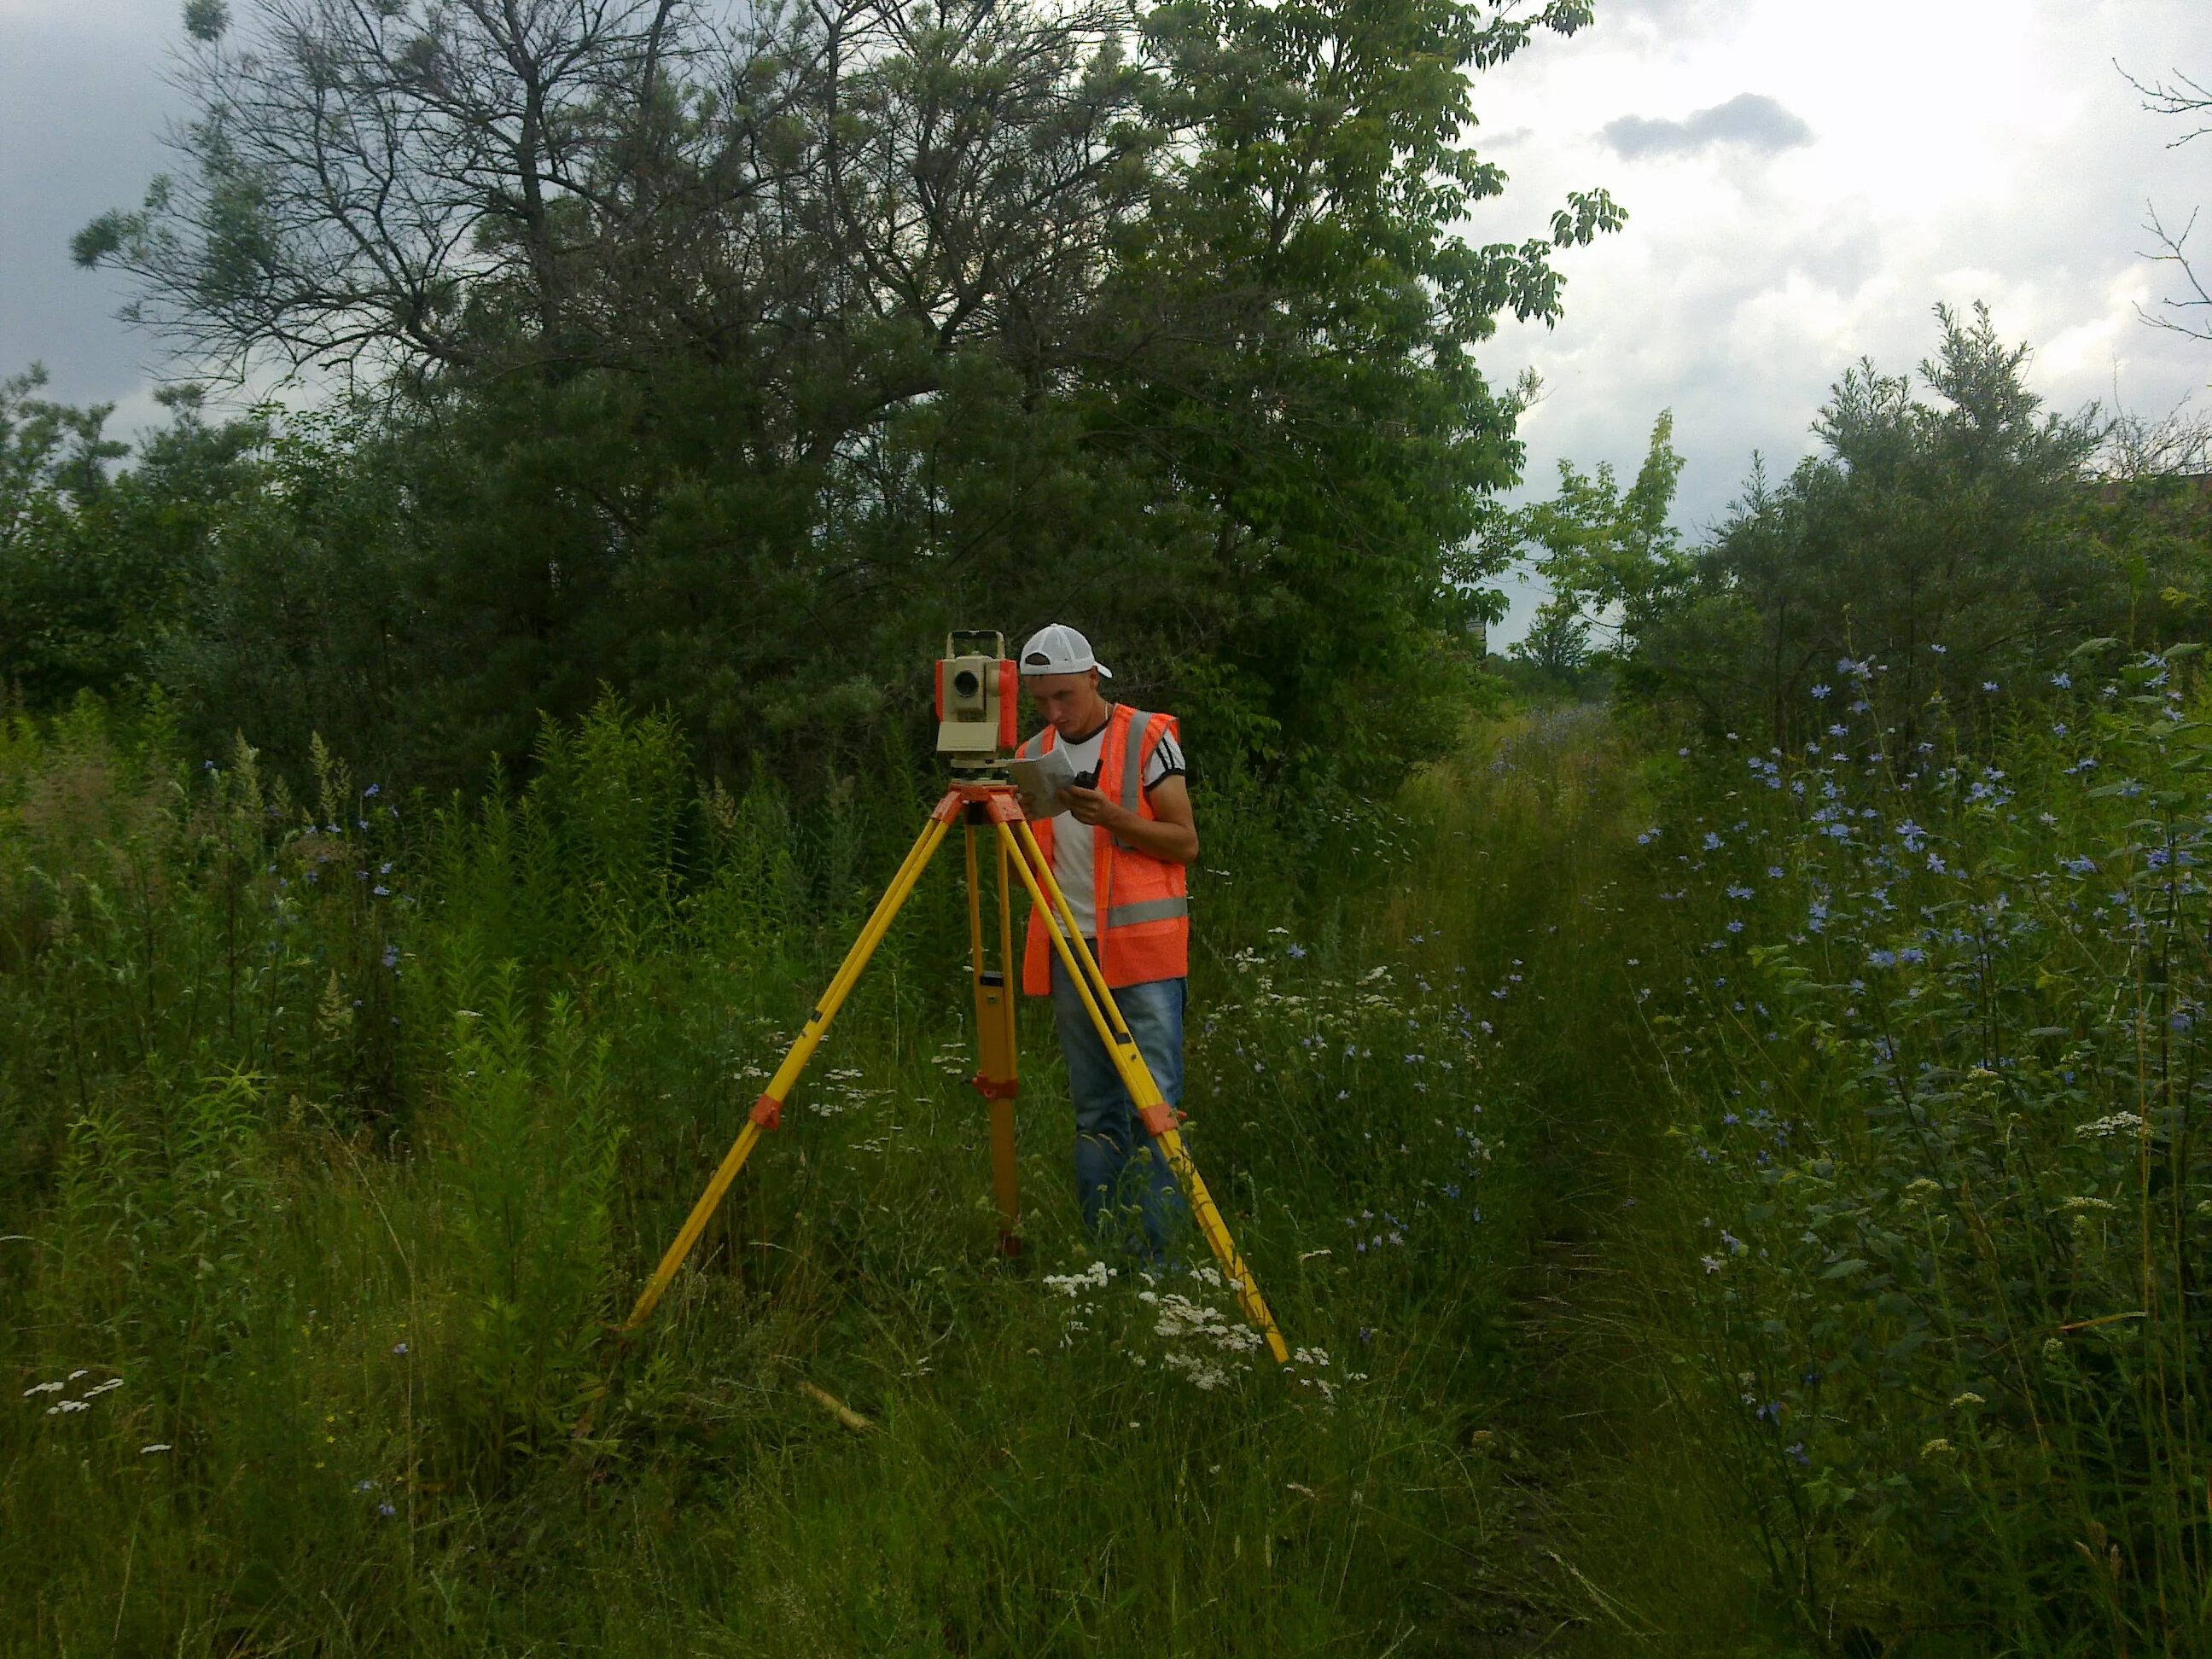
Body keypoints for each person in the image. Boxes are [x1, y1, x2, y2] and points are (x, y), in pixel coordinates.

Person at [1013, 623, 1196, 1260]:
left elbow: (1186, 843)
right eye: (1041, 701)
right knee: (1095, 1116)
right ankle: (1105, 1261)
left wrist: (1114, 818)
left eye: (1064, 696)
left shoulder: (1147, 738)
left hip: (1144, 955)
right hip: (1072, 951)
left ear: (1094, 678)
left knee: (1156, 1116)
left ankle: (1160, 1267)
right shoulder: (1035, 751)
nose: (1054, 712)